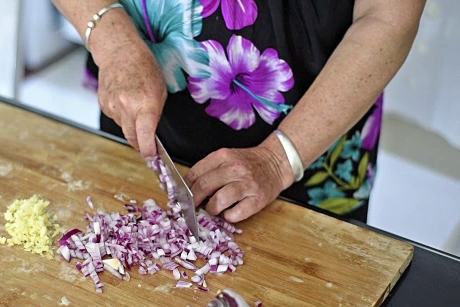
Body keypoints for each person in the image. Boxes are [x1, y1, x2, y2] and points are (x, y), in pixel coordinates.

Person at [52, 0, 425, 223]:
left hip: (311, 152)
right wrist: (112, 40)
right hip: (142, 104)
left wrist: (279, 160)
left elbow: (386, 17)